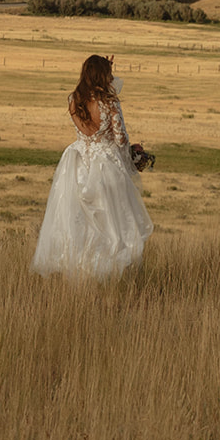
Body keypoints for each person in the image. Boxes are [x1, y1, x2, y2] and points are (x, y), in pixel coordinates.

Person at [32, 54, 154, 280]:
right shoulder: (109, 102)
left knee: (79, 224)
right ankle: (106, 275)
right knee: (113, 224)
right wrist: (133, 157)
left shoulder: (73, 99)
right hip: (105, 165)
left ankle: (82, 273)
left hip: (77, 162)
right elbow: (120, 139)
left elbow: (85, 132)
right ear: (102, 75)